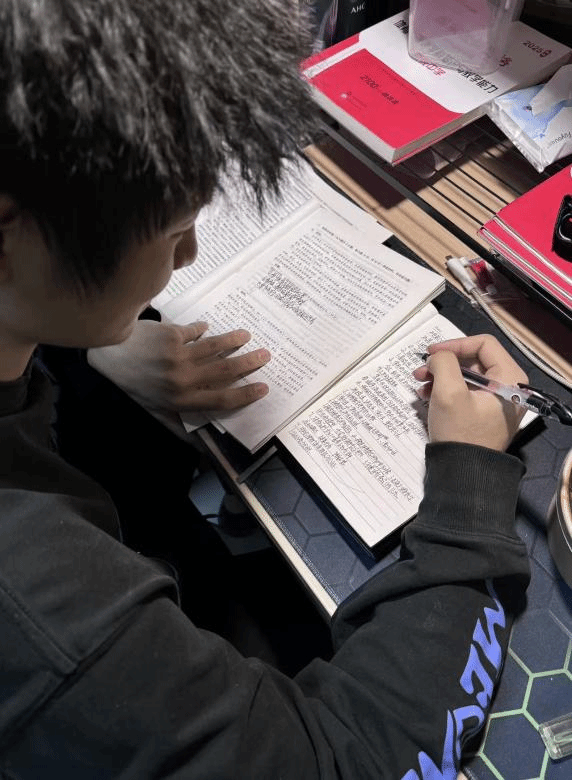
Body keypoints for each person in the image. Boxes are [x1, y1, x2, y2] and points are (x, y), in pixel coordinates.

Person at [0, 1, 530, 777]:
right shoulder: (49, 615)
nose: (187, 256)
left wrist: (92, 345)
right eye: (172, 230)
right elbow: (360, 763)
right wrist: (471, 495)